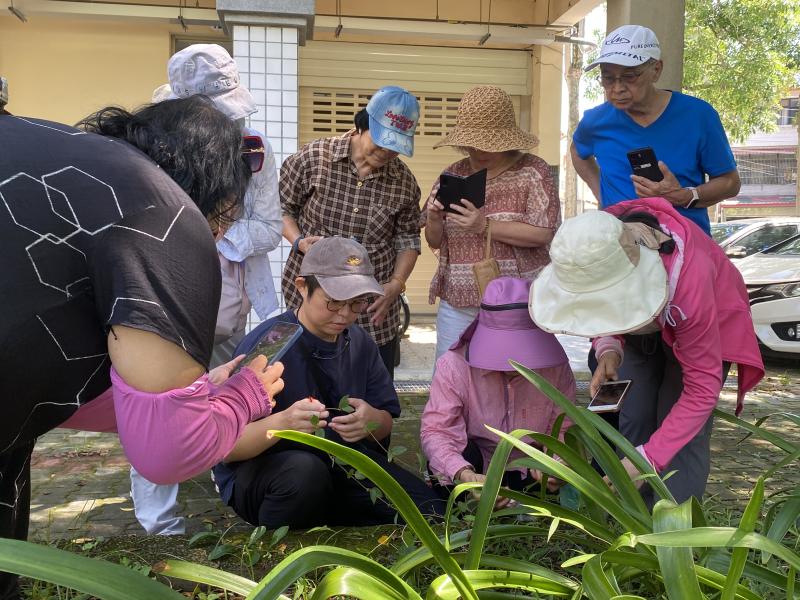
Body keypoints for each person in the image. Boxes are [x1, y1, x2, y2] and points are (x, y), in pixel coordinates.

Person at [0, 96, 283, 598]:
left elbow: (35, 369)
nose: (218, 234)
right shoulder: (162, 209)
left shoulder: (68, 164)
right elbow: (167, 453)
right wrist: (244, 398)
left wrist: (187, 395)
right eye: (222, 219)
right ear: (213, 190)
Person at [129, 43, 283, 536]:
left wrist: (216, 230)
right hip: (160, 292)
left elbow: (269, 227)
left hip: (226, 300)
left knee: (225, 390)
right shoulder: (144, 143)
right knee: (156, 398)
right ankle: (159, 521)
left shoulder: (253, 148)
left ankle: (226, 484)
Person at [530, 198, 765, 504]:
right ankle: (633, 523)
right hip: (642, 333)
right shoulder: (595, 244)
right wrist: (608, 350)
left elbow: (701, 390)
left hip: (701, 326)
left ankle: (673, 537)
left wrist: (647, 460)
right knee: (632, 414)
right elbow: (598, 305)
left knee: (680, 435)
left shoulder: (689, 279)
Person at [213, 237, 445, 528]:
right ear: (301, 287)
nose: (345, 315)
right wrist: (282, 423)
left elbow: (386, 421)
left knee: (432, 512)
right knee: (305, 473)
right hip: (269, 475)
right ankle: (278, 555)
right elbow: (224, 446)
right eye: (333, 302)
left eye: (357, 303)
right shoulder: (270, 345)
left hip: (344, 467)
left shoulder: (361, 343)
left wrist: (371, 420)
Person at [280, 86, 422, 378]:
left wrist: (396, 283)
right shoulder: (313, 158)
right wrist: (298, 242)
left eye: (395, 147)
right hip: (315, 298)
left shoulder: (404, 182)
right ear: (362, 125)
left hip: (372, 307)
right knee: (304, 383)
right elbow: (281, 209)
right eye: (380, 144)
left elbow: (407, 238)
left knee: (370, 387)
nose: (386, 154)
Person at [423, 85, 561, 360]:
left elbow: (544, 234)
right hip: (458, 300)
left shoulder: (532, 171)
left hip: (517, 302)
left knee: (513, 377)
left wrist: (485, 226)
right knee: (451, 378)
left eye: (488, 143)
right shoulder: (453, 173)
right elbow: (434, 240)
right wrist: (434, 219)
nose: (478, 150)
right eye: (472, 143)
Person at [570, 25, 740, 236]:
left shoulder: (698, 116)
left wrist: (685, 196)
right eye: (607, 78)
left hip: (684, 248)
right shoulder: (595, 121)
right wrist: (602, 195)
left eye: (629, 76)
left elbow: (730, 182)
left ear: (656, 70)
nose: (617, 88)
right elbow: (578, 152)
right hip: (620, 247)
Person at [421, 277, 576, 500]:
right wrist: (464, 474)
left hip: (533, 470)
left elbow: (563, 428)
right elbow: (436, 431)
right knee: (451, 466)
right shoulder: (455, 366)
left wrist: (557, 463)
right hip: (475, 466)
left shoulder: (555, 367)